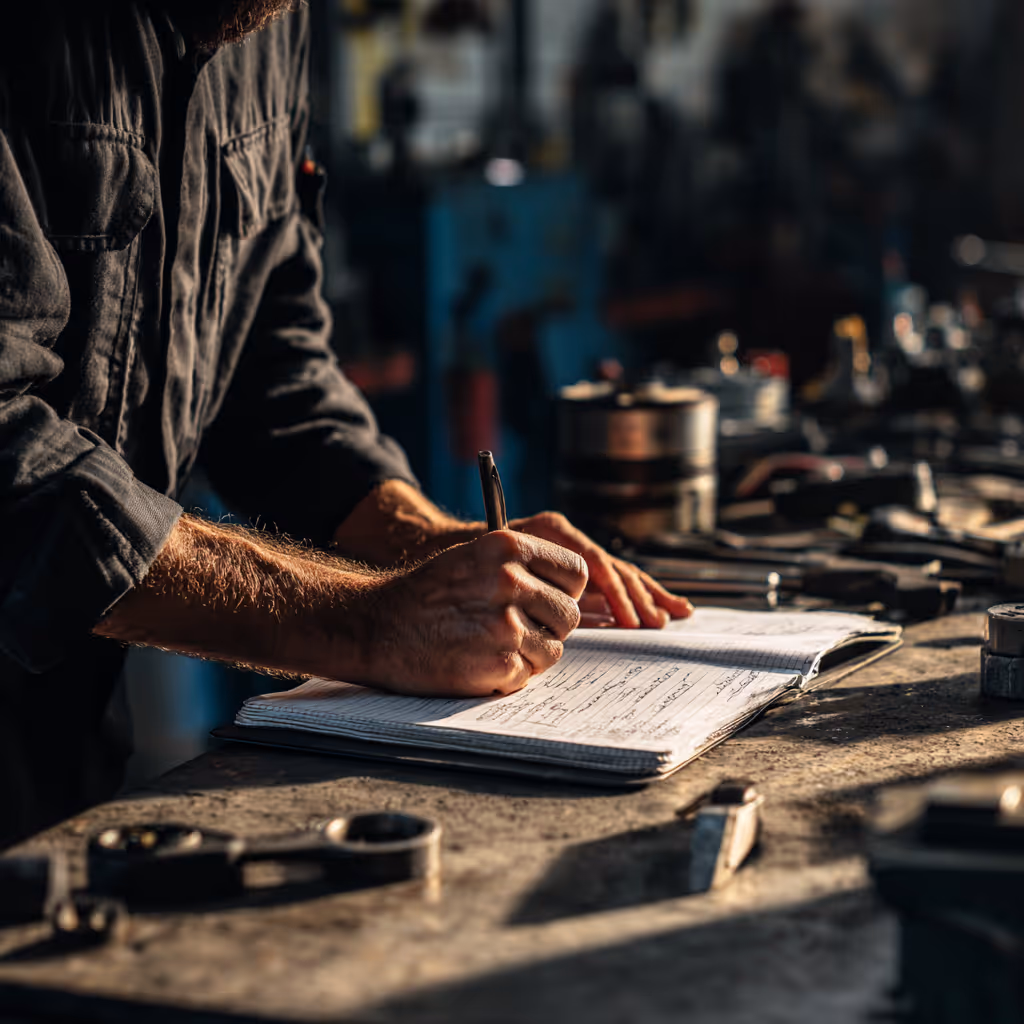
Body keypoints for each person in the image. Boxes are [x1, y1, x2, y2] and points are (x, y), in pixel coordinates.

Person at [0, 0, 691, 845]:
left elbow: (271, 374)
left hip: (65, 751)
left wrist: (431, 547)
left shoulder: (264, 24)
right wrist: (369, 624)